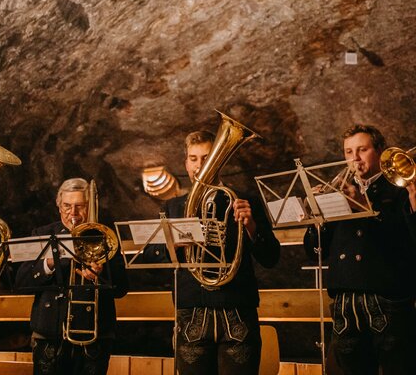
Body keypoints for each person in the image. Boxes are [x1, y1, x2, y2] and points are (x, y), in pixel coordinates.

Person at [144, 130, 280, 375]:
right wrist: (171, 245)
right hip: (191, 312)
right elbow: (149, 253)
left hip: (237, 309)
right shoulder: (173, 207)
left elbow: (271, 258)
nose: (199, 165)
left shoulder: (244, 201)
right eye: (193, 158)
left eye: (206, 158)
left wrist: (251, 226)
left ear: (220, 161)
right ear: (186, 163)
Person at [304, 124, 416, 375]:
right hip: (345, 302)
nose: (354, 158)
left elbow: (407, 242)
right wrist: (316, 223)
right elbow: (314, 252)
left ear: (379, 152)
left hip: (388, 300)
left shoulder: (400, 189)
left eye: (362, 150)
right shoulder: (336, 189)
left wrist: (363, 205)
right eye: (348, 152)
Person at [15, 177, 128, 375]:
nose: (73, 213)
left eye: (80, 206)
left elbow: (122, 288)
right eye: (67, 206)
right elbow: (21, 281)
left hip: (95, 338)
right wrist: (49, 262)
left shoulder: (104, 236)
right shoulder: (43, 234)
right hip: (49, 334)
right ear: (59, 207)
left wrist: (98, 276)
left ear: (90, 207)